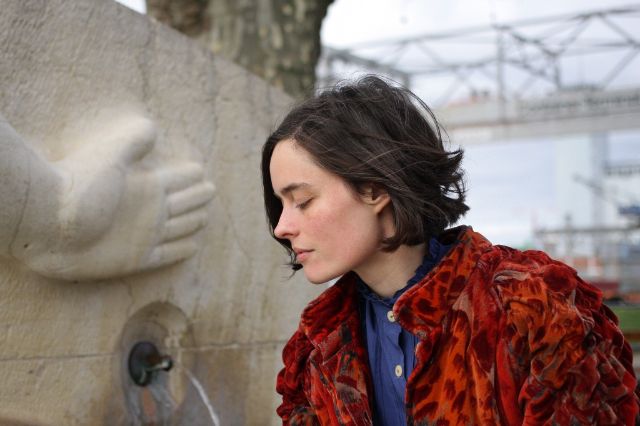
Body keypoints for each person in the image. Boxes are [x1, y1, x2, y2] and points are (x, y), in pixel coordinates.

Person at [261, 76, 639, 425]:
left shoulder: (532, 308)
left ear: (375, 189)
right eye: (281, 205)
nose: (282, 227)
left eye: (303, 201)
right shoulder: (315, 349)